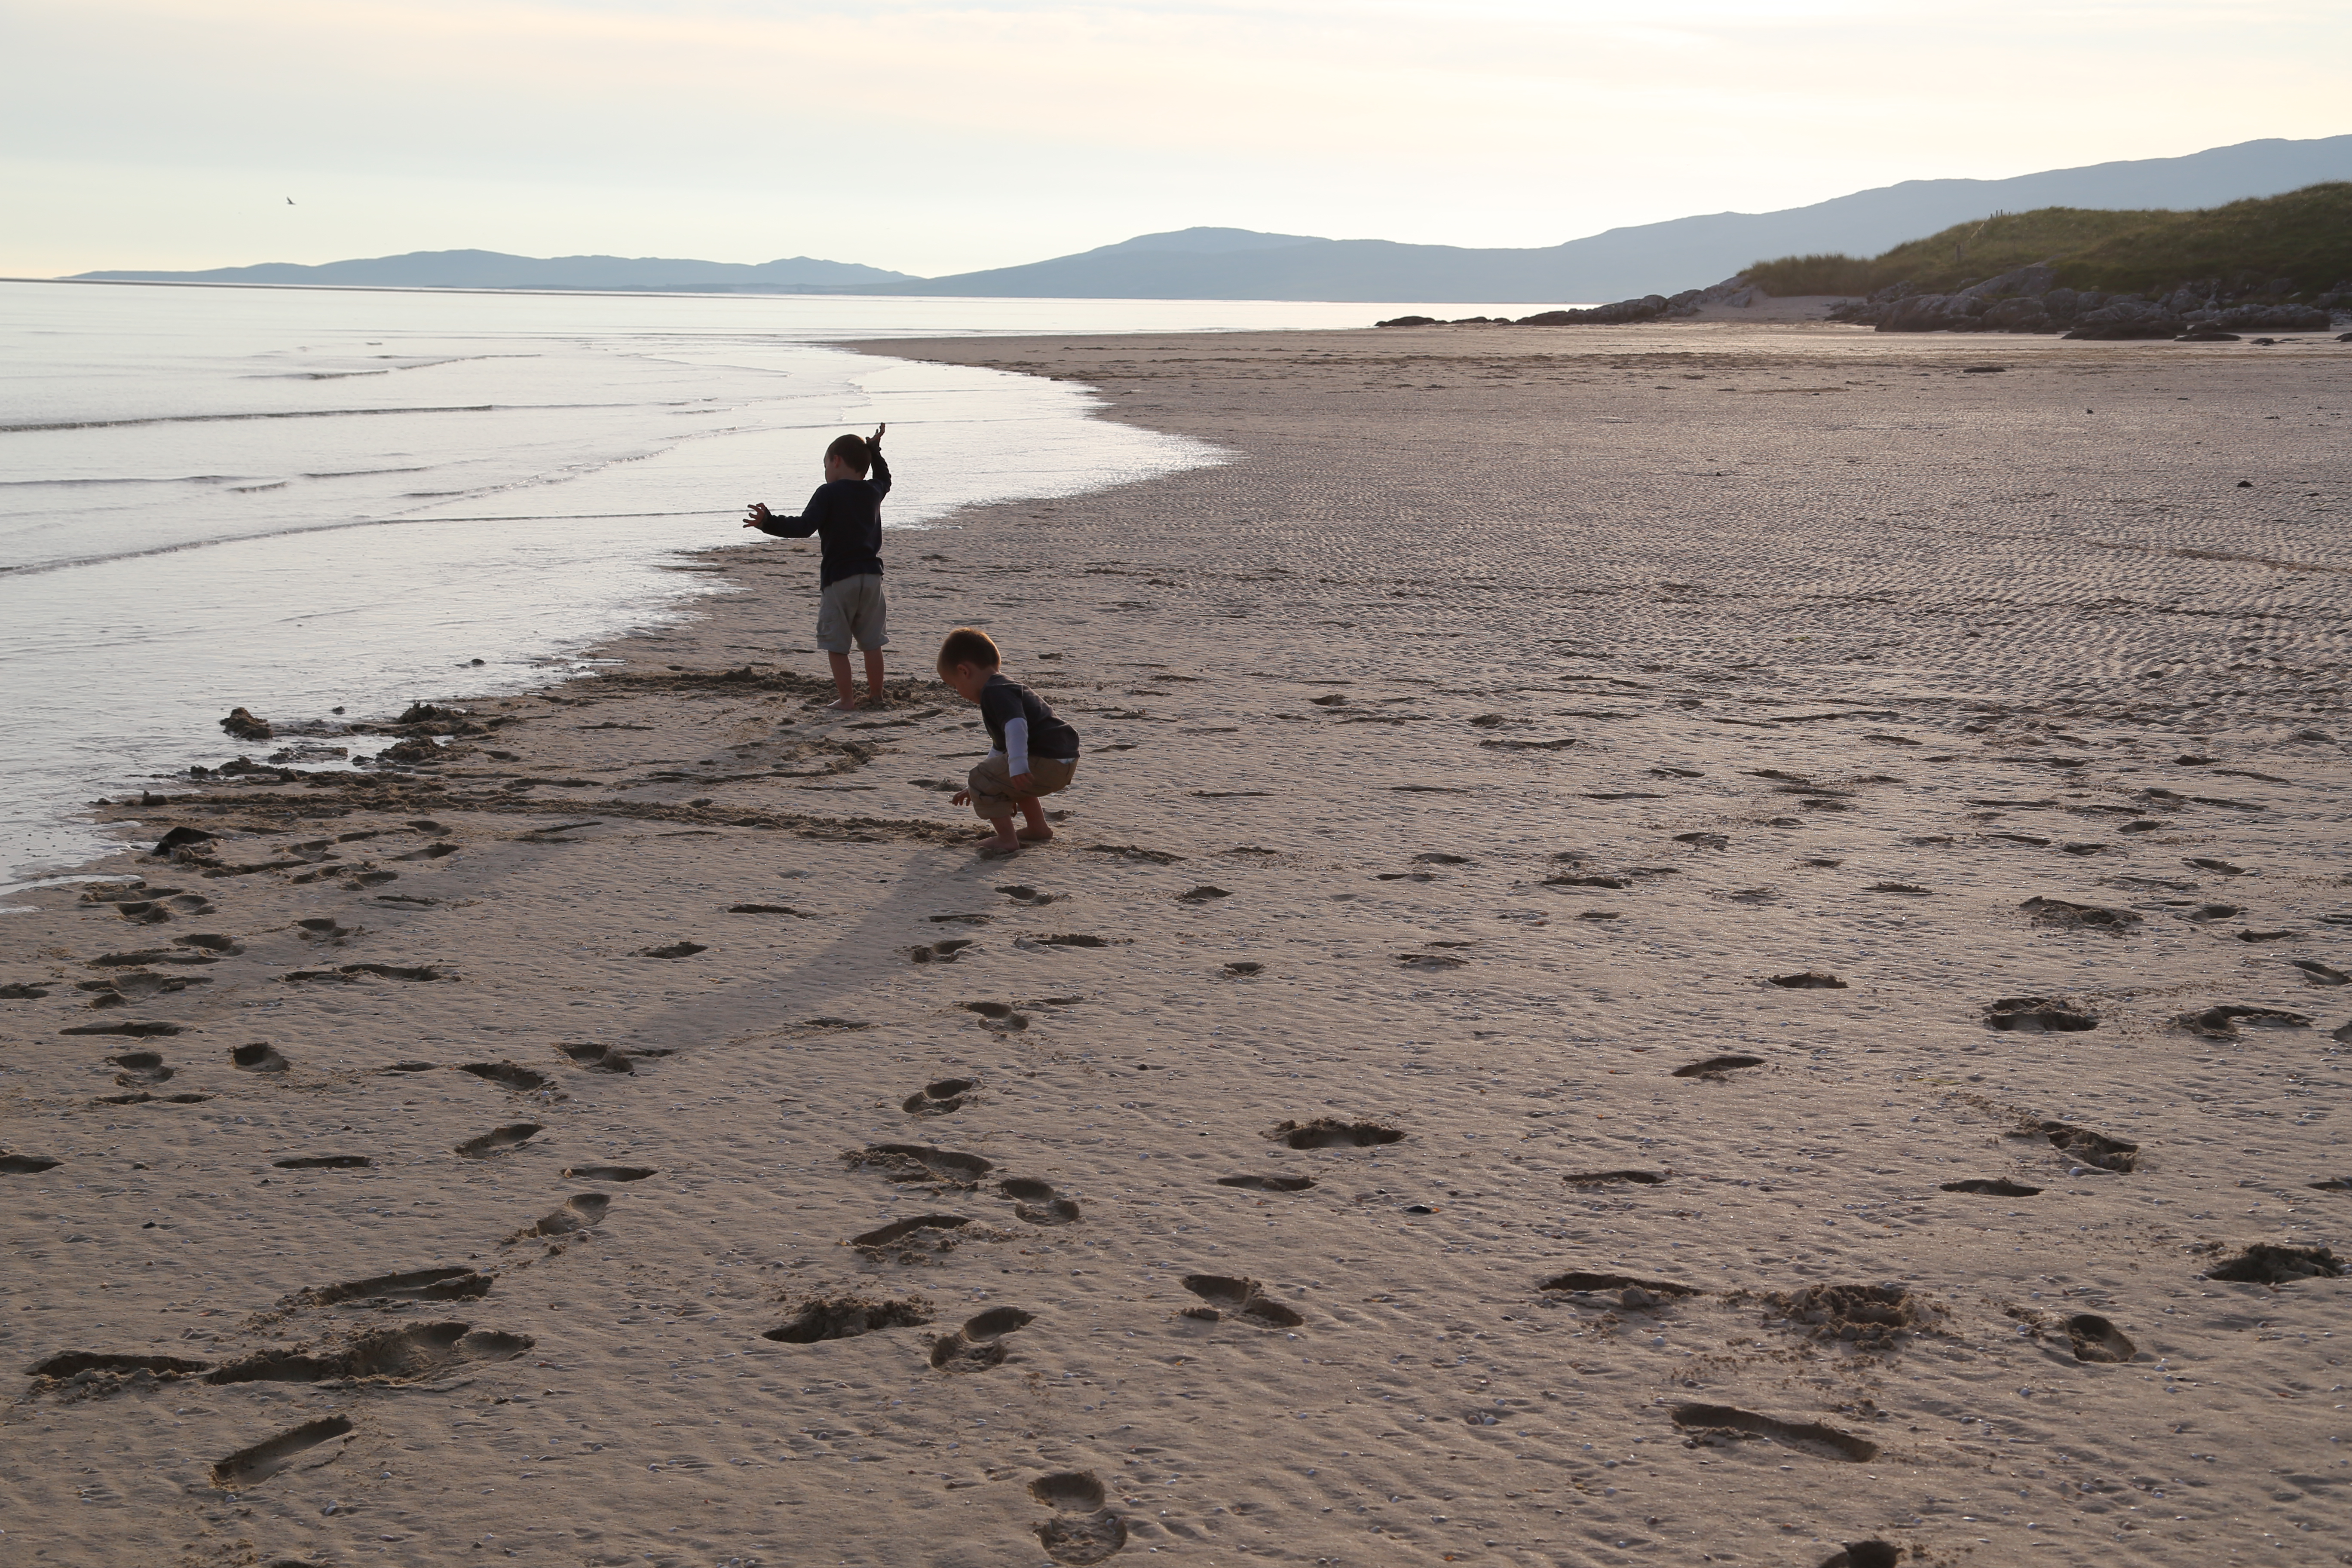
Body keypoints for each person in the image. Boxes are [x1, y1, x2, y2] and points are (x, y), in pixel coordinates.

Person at [742, 424, 891, 711]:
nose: (826, 472)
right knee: (872, 642)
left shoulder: (828, 493)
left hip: (839, 580)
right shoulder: (873, 490)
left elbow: (803, 527)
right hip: (872, 578)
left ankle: (847, 700)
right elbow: (884, 478)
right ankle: (876, 696)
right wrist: (875, 451)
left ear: (836, 460)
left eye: (825, 464)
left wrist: (768, 523)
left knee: (837, 645)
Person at [936, 626, 1081, 857]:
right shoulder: (1005, 687)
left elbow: (1016, 725)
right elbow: (1000, 750)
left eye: (955, 686)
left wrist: (1016, 765)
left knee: (1001, 774)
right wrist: (979, 785)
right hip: (1063, 761)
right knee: (1002, 777)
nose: (958, 691)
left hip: (1045, 760)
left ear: (964, 671)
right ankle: (1038, 829)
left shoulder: (994, 692)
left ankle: (1006, 840)